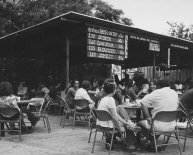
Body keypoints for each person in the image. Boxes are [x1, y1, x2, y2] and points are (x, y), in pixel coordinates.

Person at [97, 78, 141, 149]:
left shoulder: (103, 99)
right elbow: (114, 116)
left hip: (100, 124)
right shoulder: (110, 100)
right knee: (127, 126)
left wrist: (126, 122)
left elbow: (115, 114)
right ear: (114, 90)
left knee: (120, 107)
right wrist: (120, 127)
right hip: (108, 125)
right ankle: (130, 144)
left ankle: (129, 122)